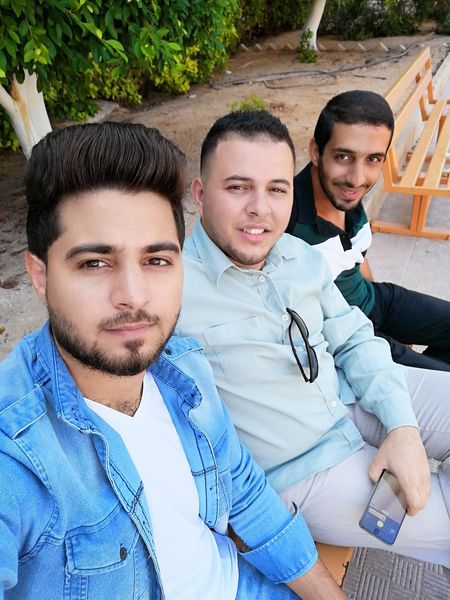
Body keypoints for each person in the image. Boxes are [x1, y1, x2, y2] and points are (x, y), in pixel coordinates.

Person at [0, 122, 348, 600]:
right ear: (40, 276)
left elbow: (246, 493)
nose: (133, 295)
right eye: (94, 263)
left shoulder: (185, 371)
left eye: (156, 260)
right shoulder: (16, 451)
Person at [176, 109, 450, 571]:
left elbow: (355, 338)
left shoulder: (297, 254)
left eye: (277, 189)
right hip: (306, 468)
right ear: (200, 195)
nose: (260, 208)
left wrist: (402, 428)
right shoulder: (173, 294)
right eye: (238, 187)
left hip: (350, 396)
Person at [286, 90, 450, 371]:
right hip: (351, 337)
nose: (357, 178)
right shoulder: (286, 222)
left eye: (373, 159)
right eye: (343, 157)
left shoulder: (345, 195)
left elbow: (358, 260)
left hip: (374, 301)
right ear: (315, 151)